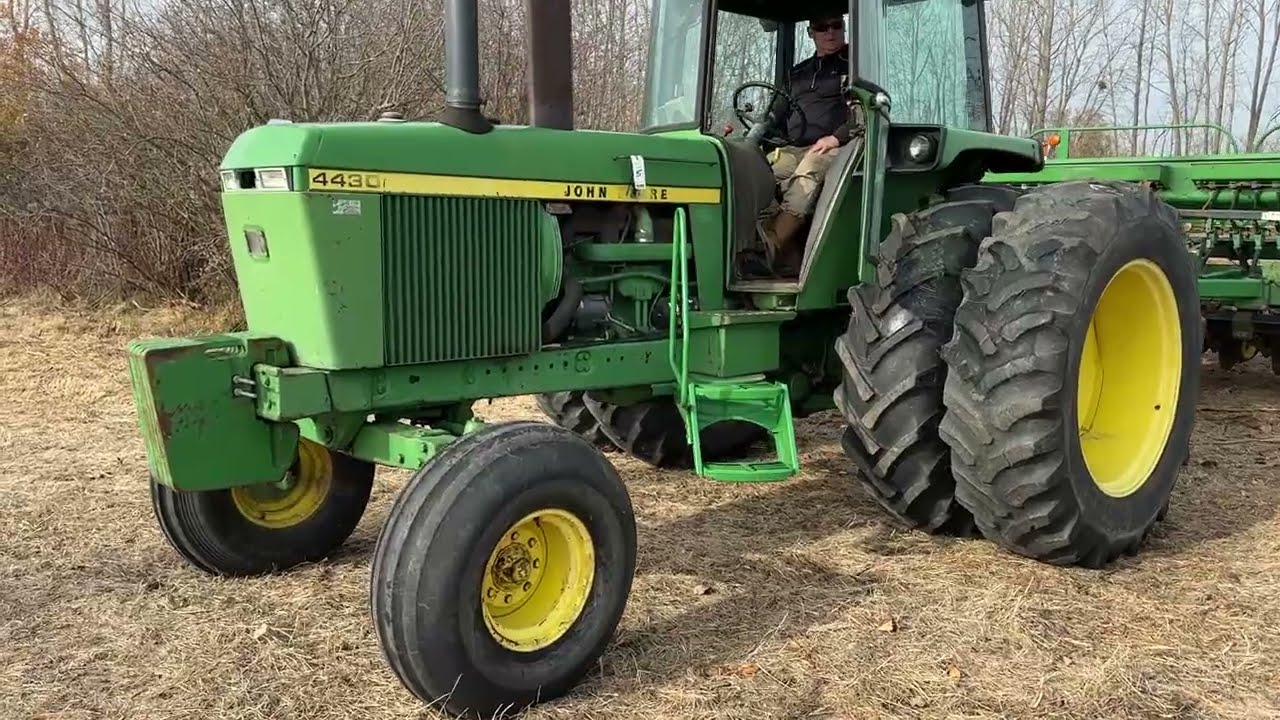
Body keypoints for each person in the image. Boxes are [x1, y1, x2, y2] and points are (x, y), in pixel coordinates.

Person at [759, 15, 857, 276]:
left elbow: (862, 112)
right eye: (823, 27)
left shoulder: (856, 66)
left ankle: (768, 248)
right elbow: (775, 115)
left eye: (837, 25)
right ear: (810, 32)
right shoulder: (798, 74)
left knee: (808, 170)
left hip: (838, 147)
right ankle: (785, 250)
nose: (831, 32)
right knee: (757, 172)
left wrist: (836, 137)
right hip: (795, 148)